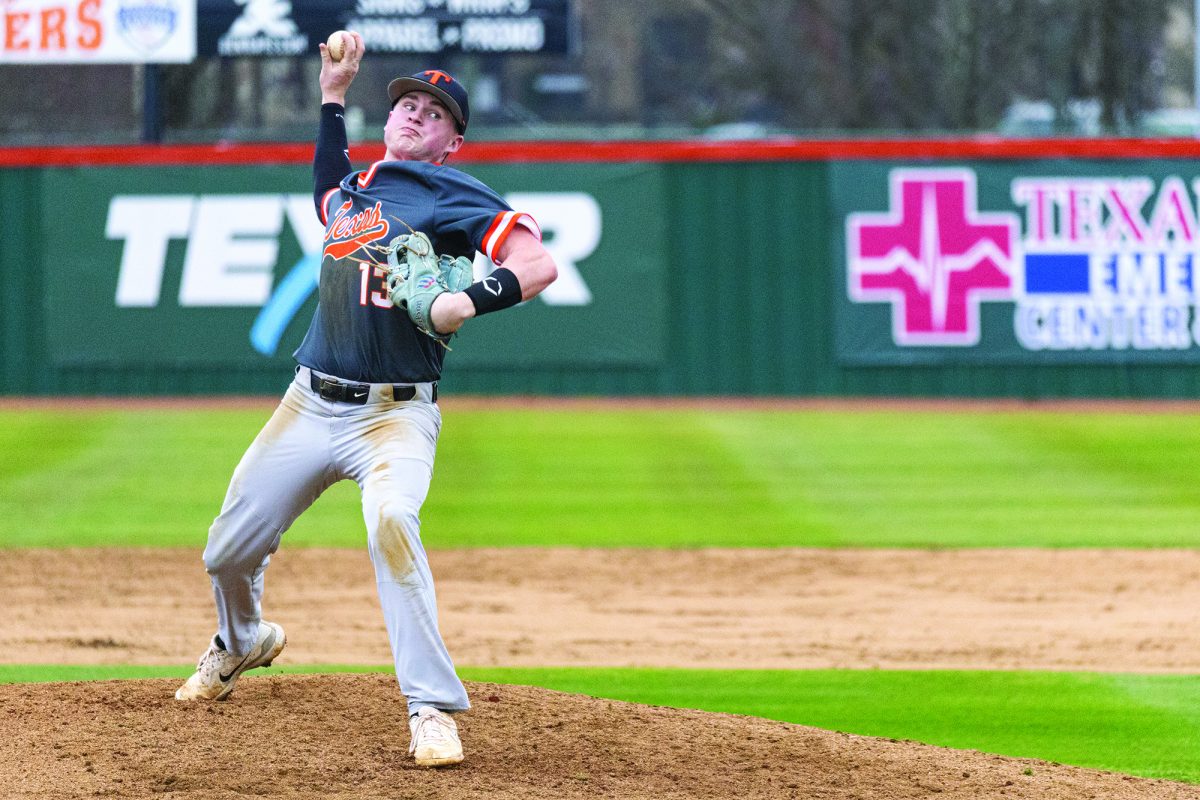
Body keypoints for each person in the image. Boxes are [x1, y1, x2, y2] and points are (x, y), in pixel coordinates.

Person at [173, 30, 558, 769]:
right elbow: (326, 188)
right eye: (408, 103)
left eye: (434, 112)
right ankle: (243, 640)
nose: (416, 114)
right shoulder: (359, 191)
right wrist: (332, 97)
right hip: (310, 402)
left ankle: (432, 709)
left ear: (452, 142)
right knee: (226, 551)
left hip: (394, 414)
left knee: (391, 519)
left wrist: (464, 304)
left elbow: (535, 263)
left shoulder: (453, 191)